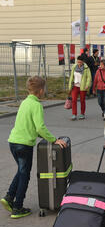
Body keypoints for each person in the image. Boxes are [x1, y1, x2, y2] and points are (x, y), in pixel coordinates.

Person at [1, 76, 67, 218]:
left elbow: (29, 125)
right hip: (24, 145)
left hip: (13, 142)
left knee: (21, 170)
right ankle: (18, 207)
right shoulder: (36, 105)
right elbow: (40, 128)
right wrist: (54, 140)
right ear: (41, 90)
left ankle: (8, 197)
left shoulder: (25, 102)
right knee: (25, 175)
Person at [68, 55, 92, 120]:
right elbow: (71, 77)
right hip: (75, 86)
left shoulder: (86, 68)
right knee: (74, 100)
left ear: (83, 62)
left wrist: (87, 85)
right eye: (78, 62)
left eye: (80, 62)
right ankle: (74, 114)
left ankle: (82, 113)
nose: (79, 63)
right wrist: (70, 85)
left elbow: (89, 77)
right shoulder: (74, 67)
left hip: (82, 86)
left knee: (82, 100)